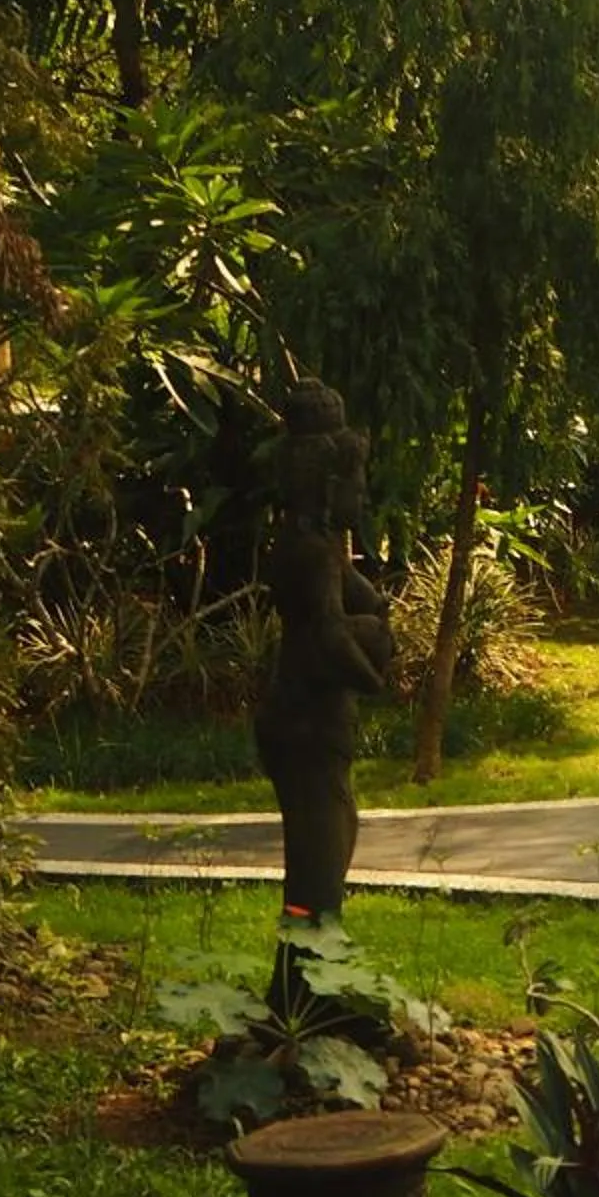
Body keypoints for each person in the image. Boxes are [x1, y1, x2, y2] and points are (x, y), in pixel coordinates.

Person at [254, 381, 393, 925]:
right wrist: (375, 677)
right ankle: (308, 989)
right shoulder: (309, 554)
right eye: (357, 484)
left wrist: (374, 618)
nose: (363, 496)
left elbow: (366, 599)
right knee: (317, 870)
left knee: (332, 853)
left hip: (315, 724)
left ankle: (314, 984)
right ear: (329, 484)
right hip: (305, 726)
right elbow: (333, 635)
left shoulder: (318, 547)